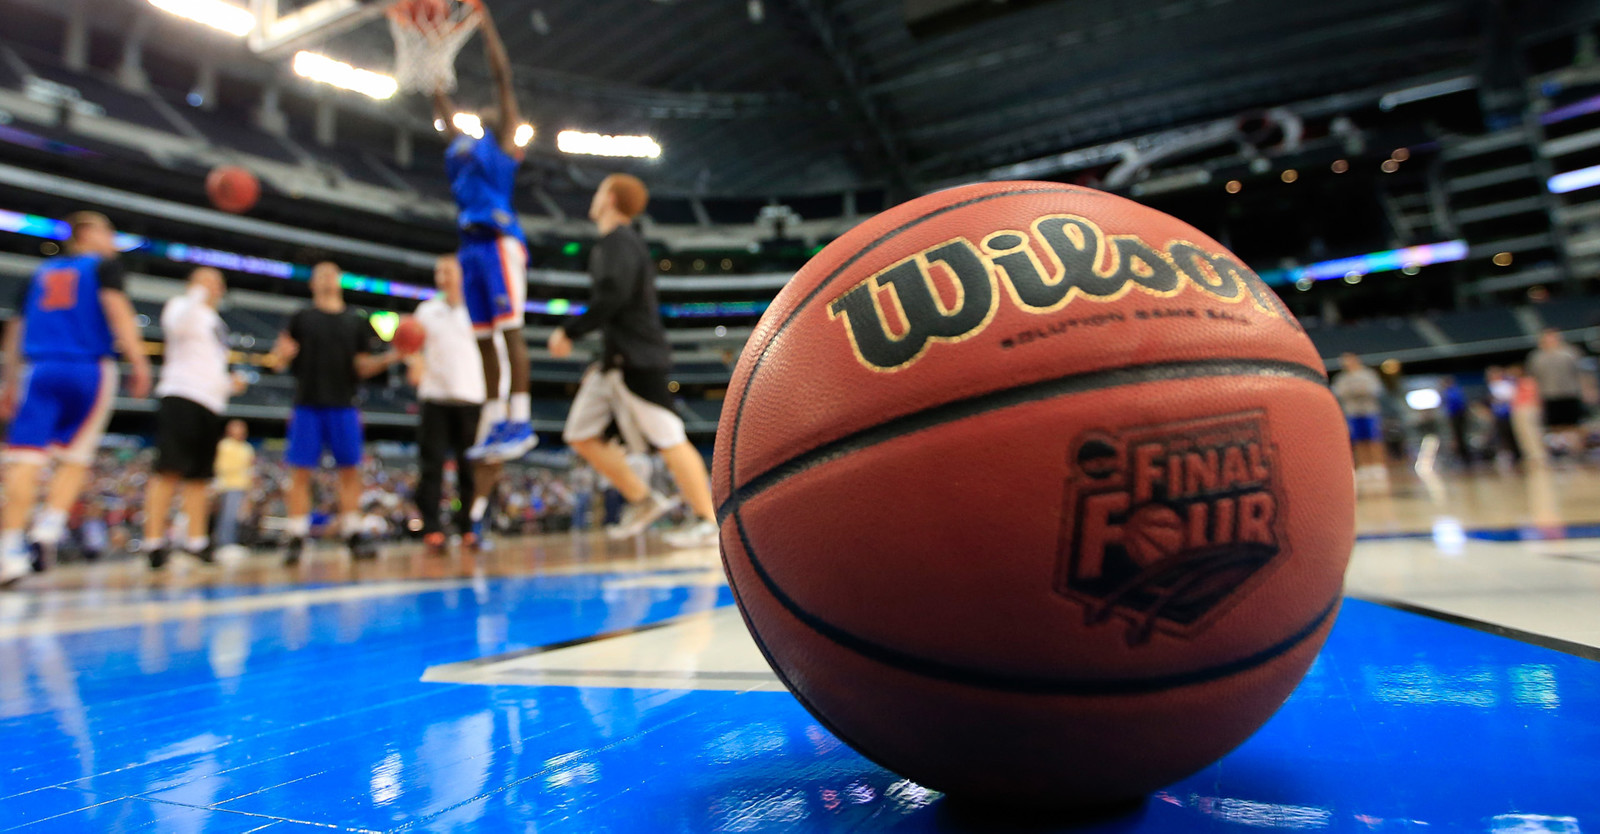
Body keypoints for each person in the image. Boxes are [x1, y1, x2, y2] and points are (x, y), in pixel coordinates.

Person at [548, 174, 718, 547]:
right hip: (615, 360)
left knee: (670, 438)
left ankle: (709, 519)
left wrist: (569, 331)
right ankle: (642, 499)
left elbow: (614, 296)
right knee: (579, 433)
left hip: (637, 359)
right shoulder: (618, 244)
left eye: (597, 191)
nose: (593, 198)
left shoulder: (618, 241)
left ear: (608, 198)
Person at [0, 212, 151, 585]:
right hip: (88, 368)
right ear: (86, 234)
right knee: (76, 457)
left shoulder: (37, 275)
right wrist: (138, 359)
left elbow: (16, 332)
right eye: (109, 231)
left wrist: (9, 382)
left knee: (25, 459)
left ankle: (8, 550)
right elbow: (117, 310)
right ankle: (47, 531)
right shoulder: (103, 268)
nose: (114, 240)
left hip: (37, 370)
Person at [432, 1, 535, 464]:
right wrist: (434, 50)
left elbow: (501, 76)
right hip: (469, 248)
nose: (493, 107)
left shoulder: (507, 144)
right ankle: (493, 422)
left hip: (499, 243)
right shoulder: (459, 147)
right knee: (482, 340)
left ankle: (522, 418)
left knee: (510, 335)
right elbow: (439, 101)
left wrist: (484, 21)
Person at [270, 261, 403, 565]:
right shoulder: (301, 318)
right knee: (300, 471)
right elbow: (277, 361)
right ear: (312, 283)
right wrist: (281, 355)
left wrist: (394, 356)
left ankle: (353, 531)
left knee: (350, 469)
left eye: (332, 273)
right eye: (320, 274)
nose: (327, 278)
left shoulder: (355, 321)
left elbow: (363, 367)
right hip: (307, 404)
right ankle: (296, 533)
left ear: (340, 280)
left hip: (344, 403)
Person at [139, 268, 245, 569]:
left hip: (211, 403)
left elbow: (211, 364)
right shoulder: (182, 306)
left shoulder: (217, 323)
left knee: (200, 477)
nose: (214, 286)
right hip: (182, 394)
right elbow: (176, 326)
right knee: (169, 469)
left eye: (217, 282)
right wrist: (196, 293)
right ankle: (154, 542)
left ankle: (196, 541)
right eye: (206, 280)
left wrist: (229, 384)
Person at [406, 255, 490, 554]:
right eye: (438, 270)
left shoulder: (478, 311)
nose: (442, 275)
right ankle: (432, 528)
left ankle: (467, 526)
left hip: (471, 396)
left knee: (470, 468)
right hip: (435, 397)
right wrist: (413, 361)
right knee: (432, 467)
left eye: (448, 270)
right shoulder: (427, 311)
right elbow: (410, 345)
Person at [1527, 328, 1586, 461]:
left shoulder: (1570, 352)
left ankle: (1577, 451)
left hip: (1570, 393)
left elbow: (1581, 373)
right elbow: (1533, 378)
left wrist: (1586, 390)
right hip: (1549, 395)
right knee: (1554, 426)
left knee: (1574, 424)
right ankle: (1560, 450)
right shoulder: (1537, 357)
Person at [1331, 352, 1386, 488]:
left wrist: (1361, 391)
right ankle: (1364, 466)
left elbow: (1376, 389)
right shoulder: (1342, 378)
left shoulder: (1368, 374)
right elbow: (1338, 392)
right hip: (1352, 412)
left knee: (1374, 439)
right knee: (1358, 440)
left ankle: (1377, 465)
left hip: (1369, 411)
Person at [214, 419, 256, 559]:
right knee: (228, 517)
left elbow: (251, 468)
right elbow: (220, 467)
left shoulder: (247, 447)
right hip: (228, 485)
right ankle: (224, 544)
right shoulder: (224, 446)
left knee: (239, 517)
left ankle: (233, 543)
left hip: (244, 486)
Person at [1509, 364, 1548, 468]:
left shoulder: (1528, 382)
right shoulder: (1516, 384)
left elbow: (1535, 396)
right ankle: (1530, 455)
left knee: (1532, 432)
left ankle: (1539, 455)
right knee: (1523, 434)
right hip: (1519, 409)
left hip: (1527, 408)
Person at [1486, 366, 1520, 466]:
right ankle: (1511, 455)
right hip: (1499, 416)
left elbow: (1509, 397)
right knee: (1503, 437)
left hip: (1508, 414)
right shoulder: (1492, 386)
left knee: (1512, 435)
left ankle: (1518, 454)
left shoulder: (1505, 384)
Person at [1440, 375, 1470, 466]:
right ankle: (1462, 455)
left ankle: (1465, 457)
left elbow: (1459, 404)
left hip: (1457, 416)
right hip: (1455, 416)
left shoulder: (1453, 391)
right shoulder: (1450, 391)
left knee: (1460, 436)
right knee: (1458, 436)